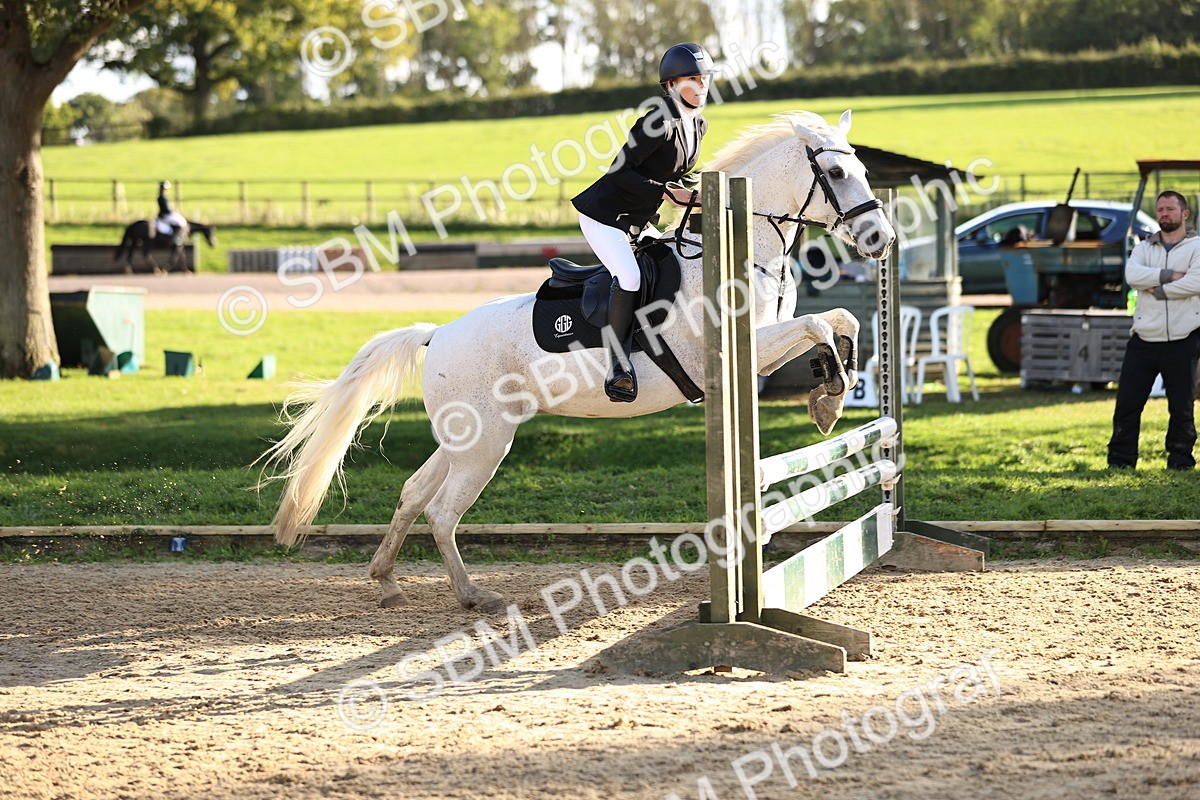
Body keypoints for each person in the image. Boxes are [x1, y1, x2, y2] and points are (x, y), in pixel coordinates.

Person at [571, 42, 713, 402]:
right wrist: (667, 191)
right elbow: (619, 170)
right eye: (691, 79)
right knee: (630, 276)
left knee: (668, 264)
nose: (700, 85)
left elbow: (681, 174)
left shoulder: (698, 124)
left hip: (638, 220)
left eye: (704, 78)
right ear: (670, 84)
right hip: (605, 217)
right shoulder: (658, 120)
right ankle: (618, 366)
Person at [1107, 190, 1200, 469]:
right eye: (1160, 209)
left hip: (1184, 339)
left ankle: (1180, 462)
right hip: (1144, 339)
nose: (1164, 214)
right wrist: (1170, 276)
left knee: (1181, 408)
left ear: (1184, 214)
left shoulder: (1197, 247)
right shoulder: (1144, 247)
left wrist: (1155, 290)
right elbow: (1132, 275)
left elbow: (1195, 283)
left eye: (1170, 209)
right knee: (1127, 405)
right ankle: (1120, 463)